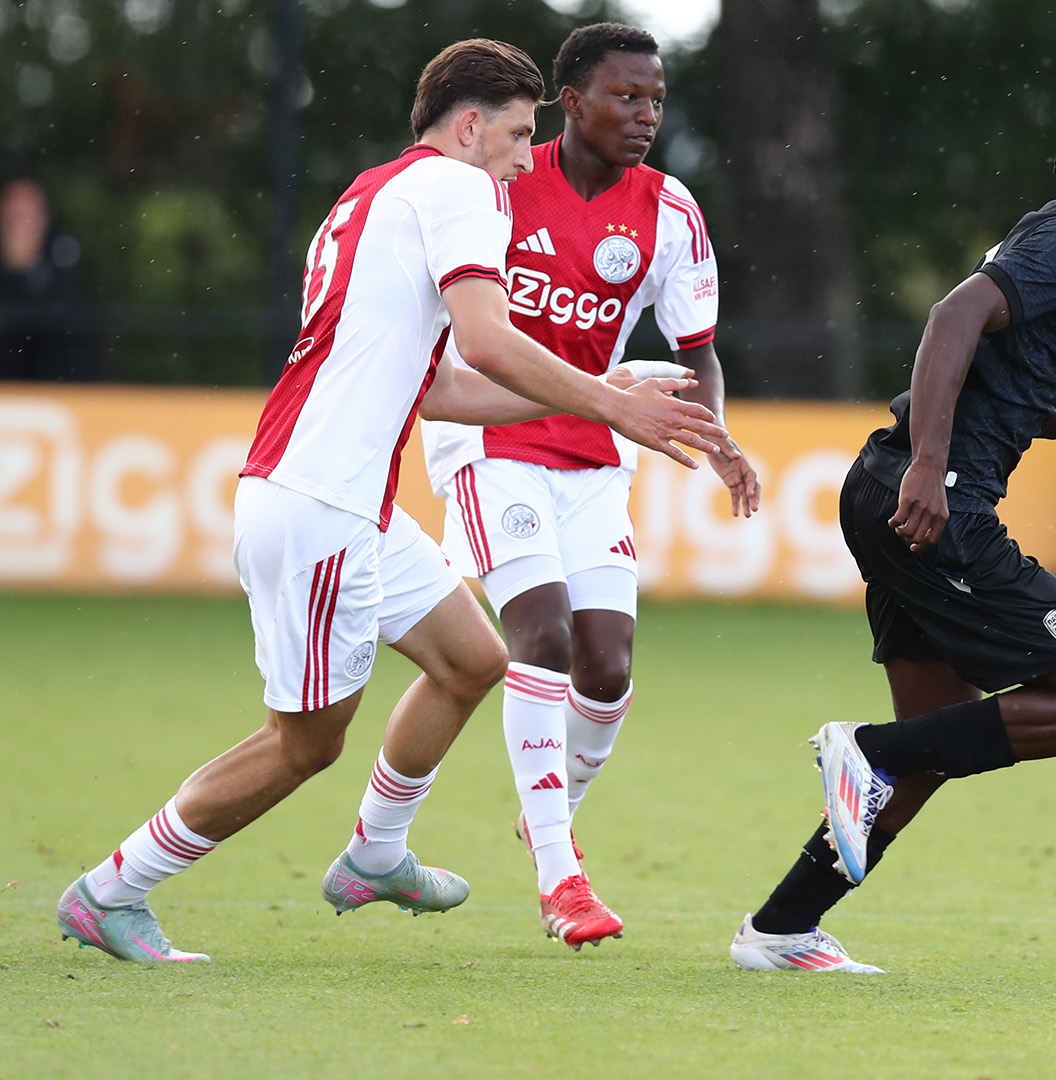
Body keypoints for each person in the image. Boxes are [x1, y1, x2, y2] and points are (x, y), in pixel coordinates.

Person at [55, 39, 733, 963]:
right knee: (304, 745)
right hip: (319, 502)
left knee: (472, 659)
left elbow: (442, 386)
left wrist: (591, 395)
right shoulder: (460, 190)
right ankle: (112, 890)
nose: (522, 159)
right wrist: (612, 403)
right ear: (469, 126)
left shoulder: (371, 192)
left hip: (344, 499)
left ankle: (375, 855)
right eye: (516, 135)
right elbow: (487, 342)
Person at [727, 82, 1056, 973]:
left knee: (939, 743)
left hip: (897, 492)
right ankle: (865, 749)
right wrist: (932, 466)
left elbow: (1042, 399)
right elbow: (954, 315)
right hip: (933, 501)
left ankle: (781, 928)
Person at [421, 23, 758, 950]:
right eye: (626, 97)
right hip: (488, 440)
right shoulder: (497, 186)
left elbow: (696, 349)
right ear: (570, 103)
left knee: (606, 669)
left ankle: (542, 817)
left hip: (594, 450)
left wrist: (715, 434)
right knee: (543, 634)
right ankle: (559, 877)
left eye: (656, 100)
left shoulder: (669, 210)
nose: (646, 115)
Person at [0, 178, 96, 381]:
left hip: (53, 388)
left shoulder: (65, 266)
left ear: (44, 219)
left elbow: (70, 339)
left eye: (28, 217)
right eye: (14, 217)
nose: (21, 228)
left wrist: (23, 273)